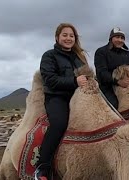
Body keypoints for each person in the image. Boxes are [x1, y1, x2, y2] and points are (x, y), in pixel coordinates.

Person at [34, 23, 88, 180]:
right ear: (57, 37)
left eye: (71, 36)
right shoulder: (49, 56)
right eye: (65, 35)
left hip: (79, 98)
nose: (68, 38)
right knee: (59, 124)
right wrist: (74, 81)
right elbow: (50, 80)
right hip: (57, 97)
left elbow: (86, 77)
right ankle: (42, 168)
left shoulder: (79, 57)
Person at [94, 27, 129, 109]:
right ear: (111, 38)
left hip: (127, 85)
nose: (120, 40)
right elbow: (101, 72)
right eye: (117, 37)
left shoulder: (127, 53)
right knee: (114, 105)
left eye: (122, 38)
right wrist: (118, 82)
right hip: (108, 86)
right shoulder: (101, 52)